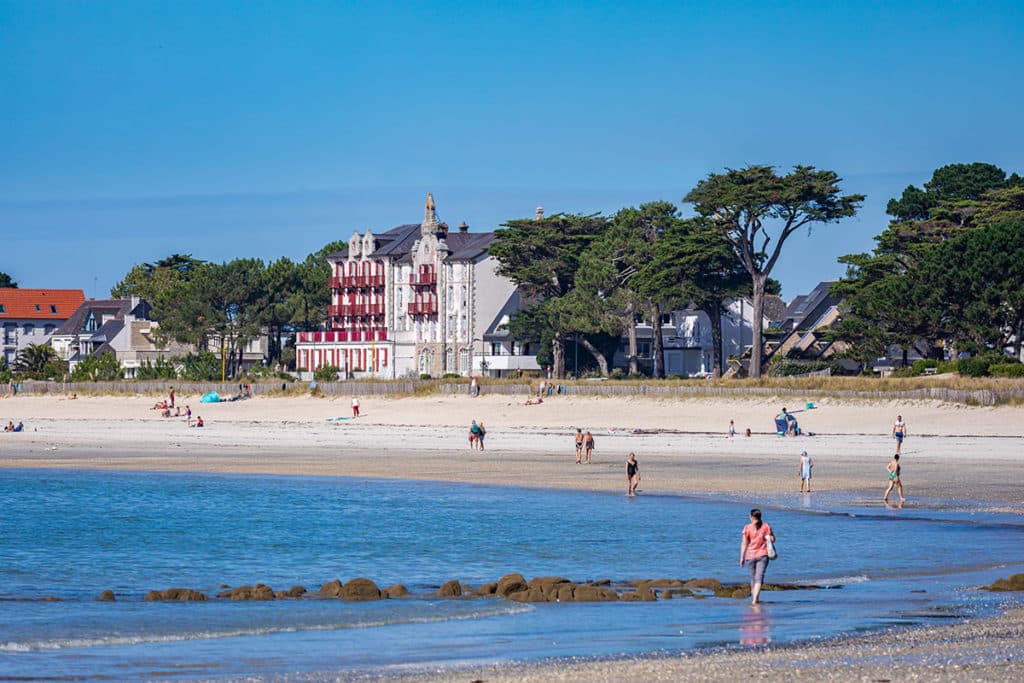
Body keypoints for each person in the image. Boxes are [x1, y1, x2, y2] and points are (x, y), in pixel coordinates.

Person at [740, 508, 775, 605]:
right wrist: (768, 538)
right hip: (763, 554)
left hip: (750, 555)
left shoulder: (747, 528)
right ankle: (755, 599)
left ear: (751, 517)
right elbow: (773, 539)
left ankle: (755, 598)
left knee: (753, 578)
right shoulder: (766, 526)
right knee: (759, 577)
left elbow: (744, 544)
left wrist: (742, 557)